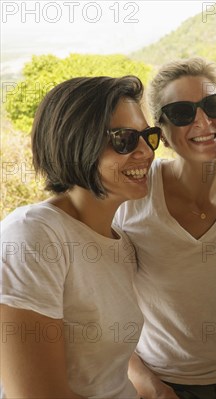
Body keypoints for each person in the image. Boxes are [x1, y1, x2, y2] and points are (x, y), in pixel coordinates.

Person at [115, 58, 216, 398]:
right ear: (162, 135)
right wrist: (149, 385)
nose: (203, 121)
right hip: (168, 382)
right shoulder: (133, 200)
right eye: (182, 113)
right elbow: (100, 310)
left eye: (213, 105)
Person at [0, 76, 161, 397]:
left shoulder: (120, 243)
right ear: (77, 142)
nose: (145, 151)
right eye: (125, 139)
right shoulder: (34, 235)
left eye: (149, 136)